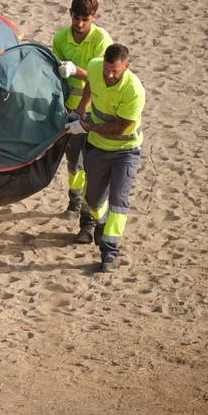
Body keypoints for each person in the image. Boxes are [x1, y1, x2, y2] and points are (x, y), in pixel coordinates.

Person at [67, 44, 145, 273]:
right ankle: (100, 224)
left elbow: (120, 128)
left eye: (116, 71)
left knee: (119, 201)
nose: (110, 75)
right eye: (107, 70)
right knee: (93, 200)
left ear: (127, 67)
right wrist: (82, 108)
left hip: (126, 150)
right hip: (98, 148)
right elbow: (91, 82)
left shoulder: (134, 91)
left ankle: (110, 252)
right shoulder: (95, 67)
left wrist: (85, 126)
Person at [52, 0, 112, 218]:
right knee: (74, 161)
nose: (79, 24)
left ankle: (90, 209)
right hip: (70, 110)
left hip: (96, 112)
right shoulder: (60, 38)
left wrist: (77, 70)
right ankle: (75, 203)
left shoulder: (101, 41)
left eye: (85, 19)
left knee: (94, 163)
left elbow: (102, 78)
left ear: (94, 18)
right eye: (76, 18)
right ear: (70, 14)